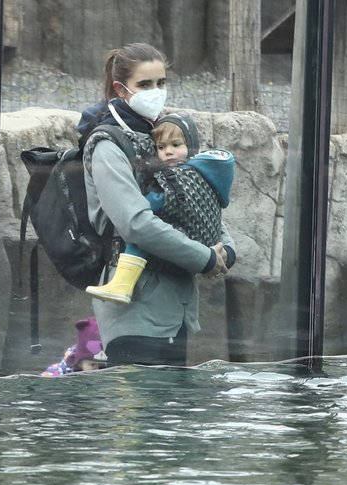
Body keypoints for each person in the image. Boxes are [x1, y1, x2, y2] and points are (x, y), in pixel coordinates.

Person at [80, 42, 236, 367]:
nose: (156, 92)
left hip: (176, 310)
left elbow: (196, 200)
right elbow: (134, 222)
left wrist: (226, 250)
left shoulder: (163, 136)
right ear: (121, 89)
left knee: (168, 414)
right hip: (134, 311)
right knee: (136, 414)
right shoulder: (107, 145)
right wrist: (204, 257)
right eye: (145, 85)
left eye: (161, 83)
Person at [85, 112, 236, 304]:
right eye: (161, 147)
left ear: (191, 147)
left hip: (167, 282)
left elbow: (146, 214)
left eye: (176, 145)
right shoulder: (205, 178)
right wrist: (226, 252)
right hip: (183, 289)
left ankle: (122, 283)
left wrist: (140, 201)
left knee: (139, 236)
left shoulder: (183, 176)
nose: (168, 152)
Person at [41, 316, 107, 376]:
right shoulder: (61, 374)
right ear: (79, 363)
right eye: (93, 365)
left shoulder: (111, 371)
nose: (98, 370)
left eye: (102, 366)